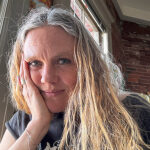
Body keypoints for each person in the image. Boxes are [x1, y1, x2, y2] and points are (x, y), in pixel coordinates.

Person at [0, 7, 150, 150]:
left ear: (87, 66)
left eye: (63, 61)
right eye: (35, 63)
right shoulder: (23, 121)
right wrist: (37, 126)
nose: (47, 78)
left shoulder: (131, 112)